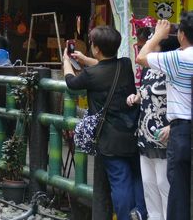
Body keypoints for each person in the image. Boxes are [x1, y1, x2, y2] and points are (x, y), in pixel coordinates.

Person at [64, 26, 146, 220]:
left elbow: (71, 82)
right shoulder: (125, 65)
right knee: (136, 177)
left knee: (119, 181)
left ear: (97, 48)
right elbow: (106, 67)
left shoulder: (91, 75)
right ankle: (141, 213)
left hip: (109, 138)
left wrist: (67, 62)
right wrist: (86, 59)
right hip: (132, 131)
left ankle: (126, 217)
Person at [137, 13, 193, 220]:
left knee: (177, 192)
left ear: (182, 35)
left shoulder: (179, 58)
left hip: (181, 130)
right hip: (178, 129)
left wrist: (157, 36)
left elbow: (141, 57)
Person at [126, 35, 179, 220]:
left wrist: (173, 127)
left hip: (164, 136)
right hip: (145, 134)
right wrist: (136, 97)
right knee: (148, 184)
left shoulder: (174, 70)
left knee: (164, 185)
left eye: (152, 43)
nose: (147, 47)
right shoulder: (149, 70)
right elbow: (145, 91)